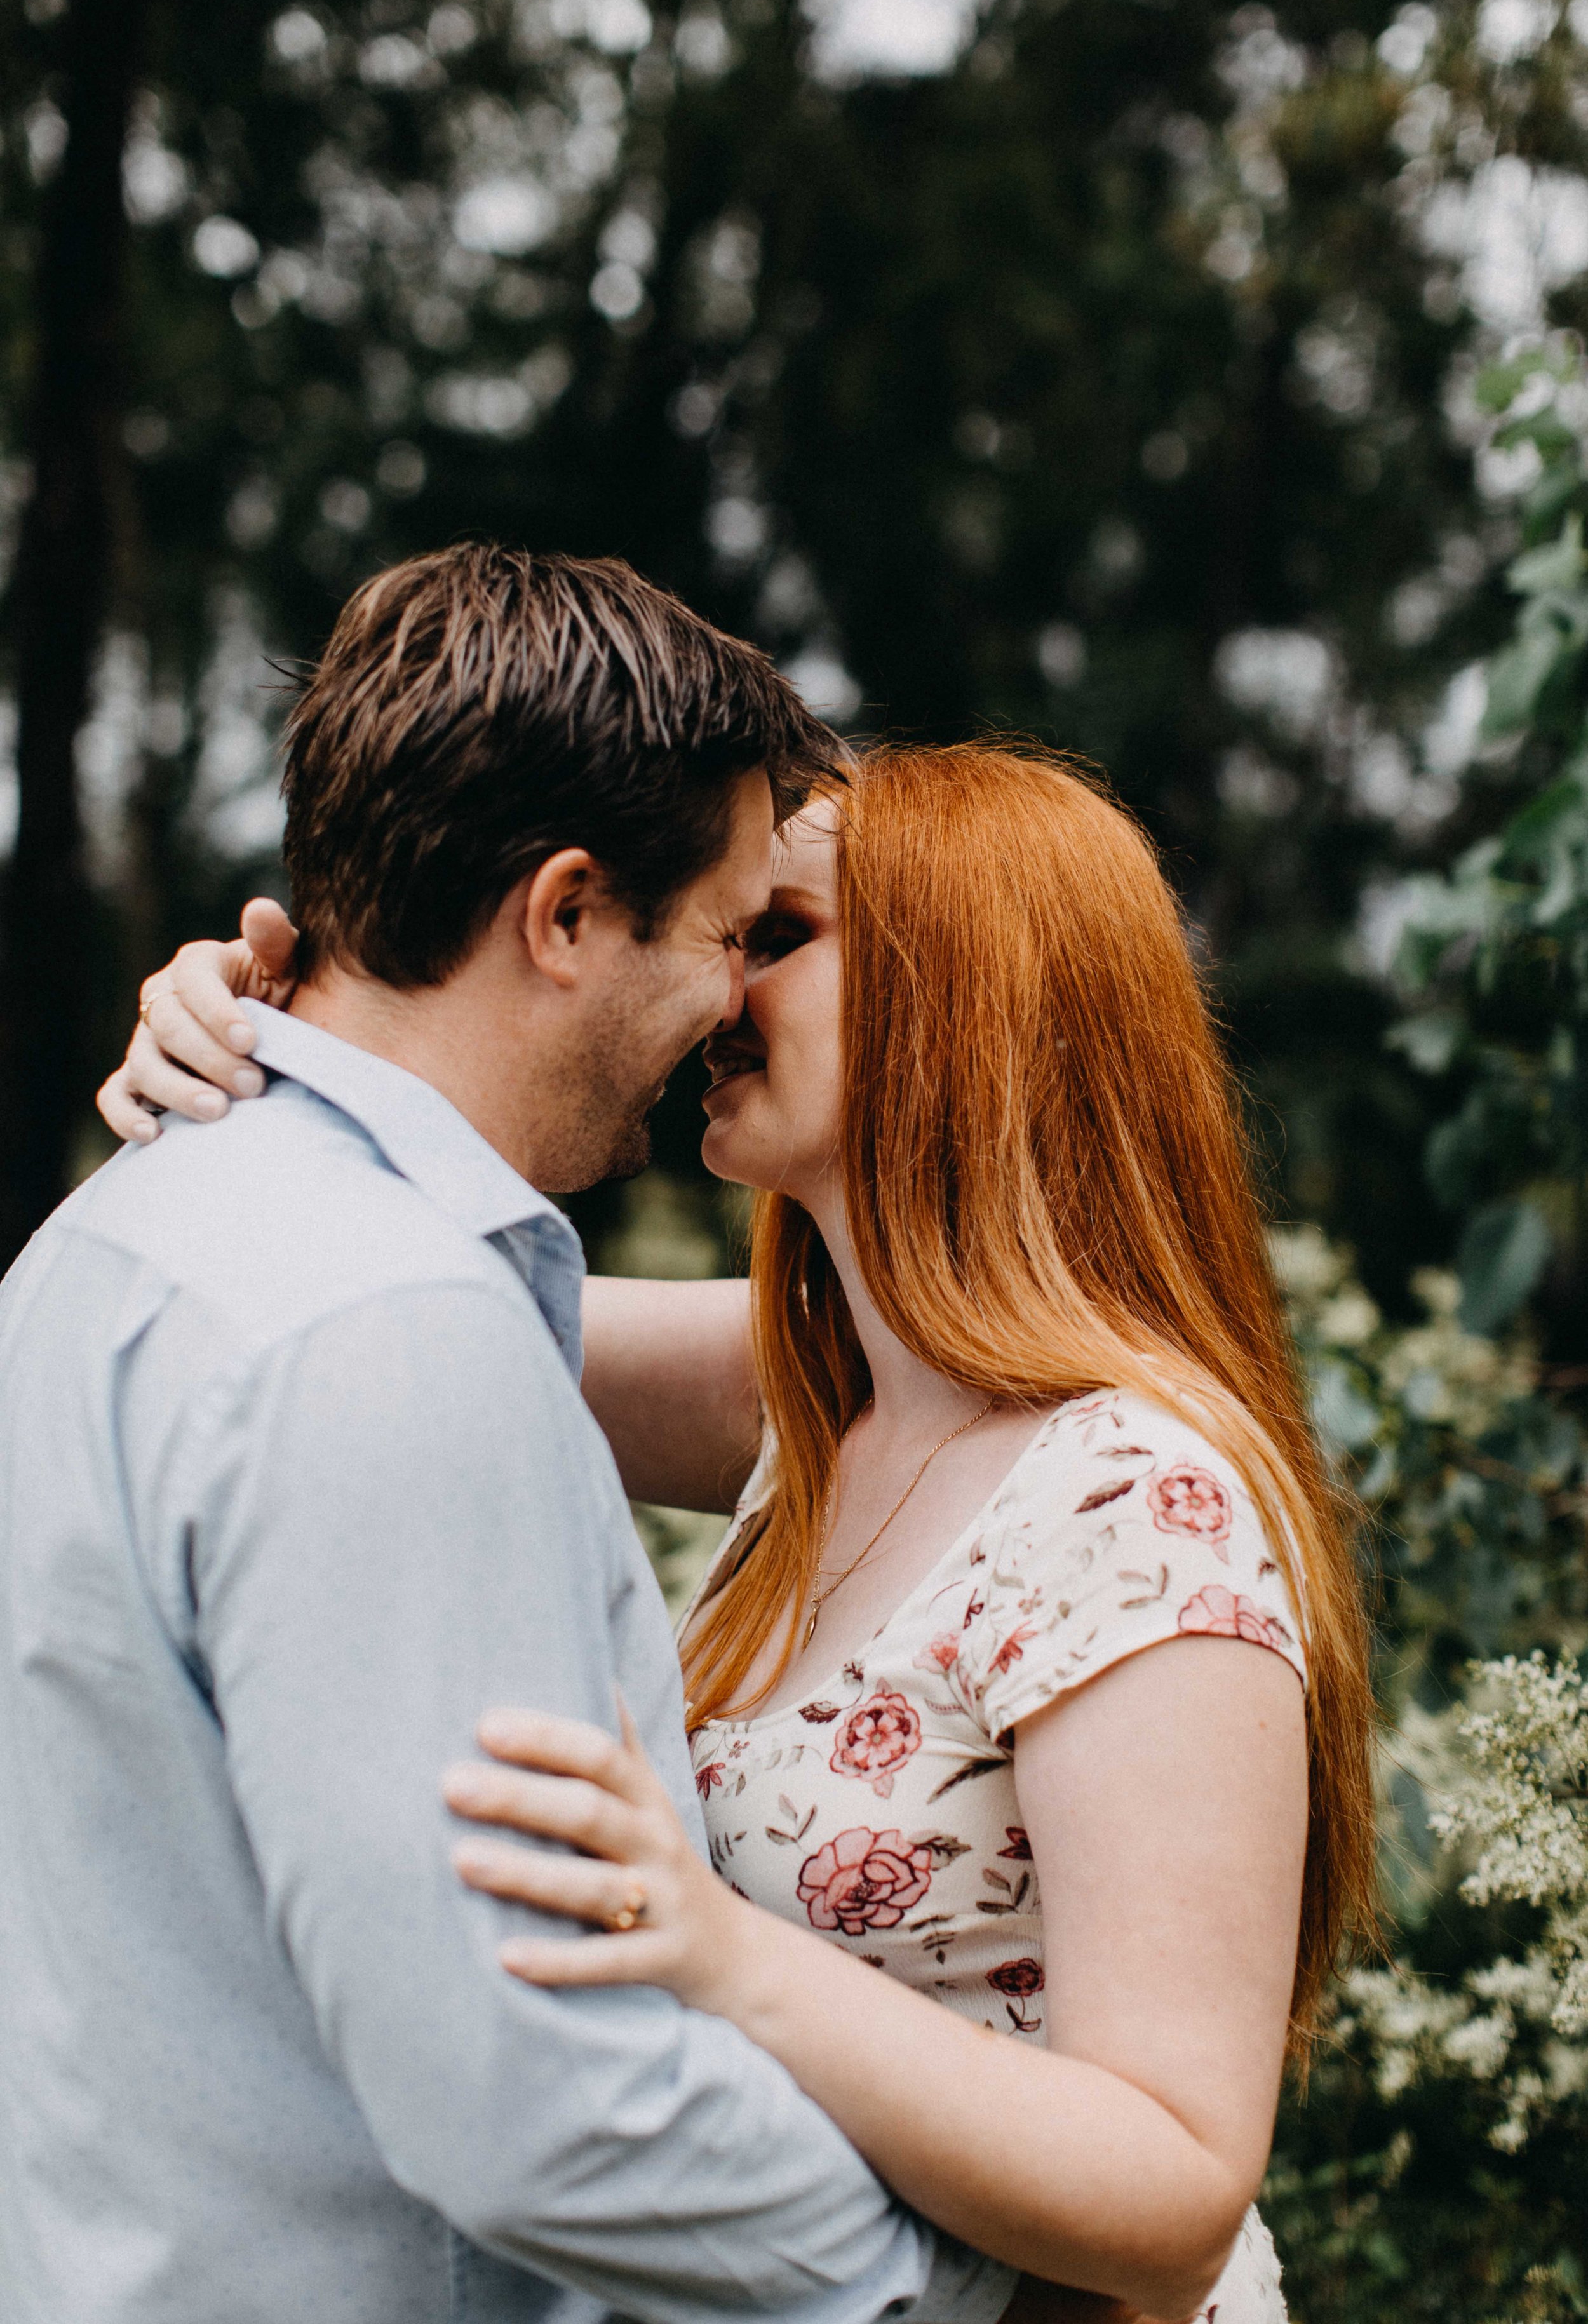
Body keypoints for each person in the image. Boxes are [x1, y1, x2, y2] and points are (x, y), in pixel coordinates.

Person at [104, 740, 1380, 2324]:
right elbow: (399, 1295)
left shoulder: (1131, 1500)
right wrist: (283, 1035)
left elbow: (1178, 2189)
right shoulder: (816, 1406)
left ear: (961, 998)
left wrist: (717, 1952)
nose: (711, 983)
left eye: (773, 937)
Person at [4, 545, 1029, 2324]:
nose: (728, 1002)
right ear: (562, 913)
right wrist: (942, 2290)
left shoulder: (107, 1246)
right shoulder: (390, 1323)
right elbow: (535, 2093)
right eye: (724, 932)